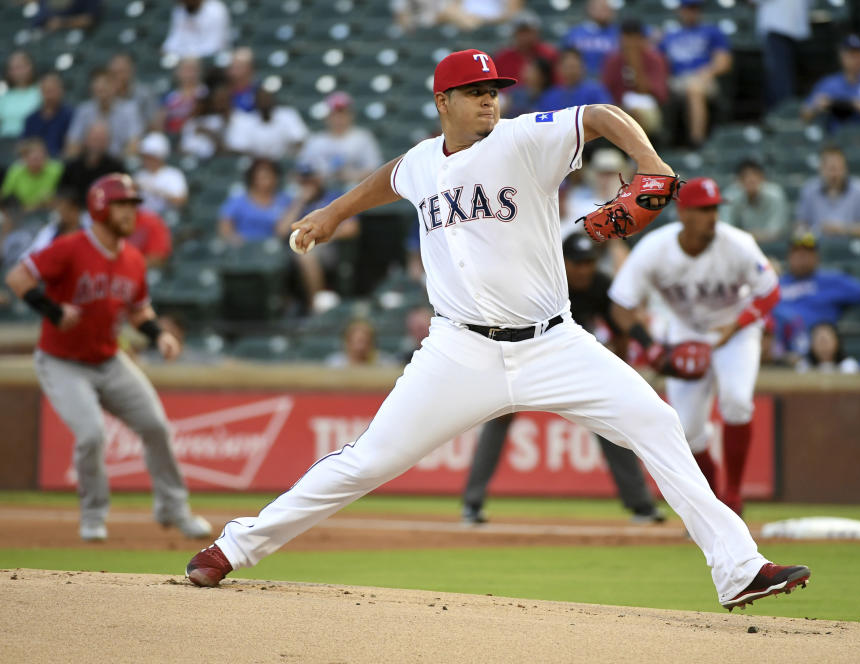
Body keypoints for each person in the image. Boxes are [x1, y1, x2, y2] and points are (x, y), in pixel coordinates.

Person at [186, 49, 810, 612]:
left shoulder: (522, 140)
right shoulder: (425, 162)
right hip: (458, 350)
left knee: (658, 425)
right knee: (368, 461)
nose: (490, 98)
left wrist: (648, 160)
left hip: (553, 343)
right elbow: (393, 174)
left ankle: (739, 569)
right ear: (443, 103)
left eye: (495, 88)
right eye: (475, 90)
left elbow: (598, 113)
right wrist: (334, 210)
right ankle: (233, 548)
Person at [3, 174, 210, 542]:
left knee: (156, 427)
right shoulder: (70, 247)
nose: (131, 212)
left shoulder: (133, 258)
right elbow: (18, 277)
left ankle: (173, 508)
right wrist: (52, 310)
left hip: (109, 359)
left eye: (133, 205)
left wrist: (160, 334)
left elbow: (139, 312)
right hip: (61, 360)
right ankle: (93, 515)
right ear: (100, 207)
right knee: (91, 436)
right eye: (122, 205)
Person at [461, 234, 666, 525]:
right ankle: (472, 503)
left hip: (571, 362)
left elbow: (620, 327)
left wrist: (620, 370)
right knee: (501, 417)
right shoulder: (541, 281)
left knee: (611, 416)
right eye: (578, 263)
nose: (585, 269)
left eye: (589, 262)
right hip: (527, 355)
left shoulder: (599, 284)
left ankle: (641, 505)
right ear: (563, 263)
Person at [609, 177, 781, 517]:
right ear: (683, 213)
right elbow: (620, 304)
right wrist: (651, 346)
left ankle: (732, 493)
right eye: (704, 210)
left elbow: (770, 291)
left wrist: (739, 325)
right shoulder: (655, 249)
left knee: (736, 401)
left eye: (715, 208)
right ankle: (714, 502)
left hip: (735, 327)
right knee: (687, 432)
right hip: (685, 330)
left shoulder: (738, 243)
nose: (712, 216)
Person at [773, 233, 860, 356]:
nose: (802, 256)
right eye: (797, 252)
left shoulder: (832, 281)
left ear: (816, 256)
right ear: (789, 256)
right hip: (775, 350)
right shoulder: (776, 283)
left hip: (814, 353)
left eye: (807, 252)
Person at [277, 164, 357, 309]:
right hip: (294, 247)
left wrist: (323, 234)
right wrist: (300, 201)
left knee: (306, 255)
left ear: (319, 179)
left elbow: (352, 228)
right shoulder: (292, 200)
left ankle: (316, 305)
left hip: (328, 246)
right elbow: (282, 231)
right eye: (304, 181)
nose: (308, 184)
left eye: (311, 180)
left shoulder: (333, 197)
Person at [658, 0, 733, 147]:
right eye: (688, 9)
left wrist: (707, 72)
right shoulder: (669, 35)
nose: (692, 12)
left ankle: (696, 141)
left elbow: (724, 61)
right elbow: (657, 62)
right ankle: (661, 141)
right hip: (676, 79)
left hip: (703, 78)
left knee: (694, 88)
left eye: (695, 8)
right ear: (680, 10)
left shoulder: (711, 31)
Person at [801, 34, 860, 131]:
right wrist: (817, 107)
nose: (855, 59)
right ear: (842, 56)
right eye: (851, 55)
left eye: (858, 54)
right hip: (835, 140)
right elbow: (804, 114)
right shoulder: (828, 83)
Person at [297, 92, 383, 189]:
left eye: (342, 113)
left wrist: (349, 176)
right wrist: (319, 177)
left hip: (354, 192)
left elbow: (375, 171)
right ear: (327, 116)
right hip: (322, 194)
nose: (338, 118)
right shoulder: (316, 141)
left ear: (351, 115)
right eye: (334, 114)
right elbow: (301, 173)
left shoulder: (362, 138)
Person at [601, 19, 669, 136]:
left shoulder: (655, 59)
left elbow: (657, 95)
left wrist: (635, 62)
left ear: (641, 39)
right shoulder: (613, 60)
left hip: (650, 109)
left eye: (633, 38)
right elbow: (606, 91)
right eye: (626, 38)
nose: (629, 43)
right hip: (620, 109)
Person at [795, 146, 860, 238]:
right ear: (821, 169)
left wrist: (843, 229)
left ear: (846, 169)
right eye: (831, 169)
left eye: (839, 169)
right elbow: (800, 225)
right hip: (817, 246)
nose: (835, 174)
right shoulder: (809, 190)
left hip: (852, 246)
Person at [64, 69, 143, 160]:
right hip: (90, 163)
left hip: (118, 163)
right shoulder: (84, 111)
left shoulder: (129, 109)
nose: (101, 89)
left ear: (114, 86)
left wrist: (117, 164)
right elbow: (73, 143)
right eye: (98, 88)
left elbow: (134, 143)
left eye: (105, 86)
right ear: (92, 89)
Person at [218, 158, 292, 245]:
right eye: (260, 178)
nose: (264, 182)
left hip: (272, 248)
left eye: (268, 177)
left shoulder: (284, 200)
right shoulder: (238, 200)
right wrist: (232, 238)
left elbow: (282, 231)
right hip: (243, 247)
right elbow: (225, 226)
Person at [224, 86, 308, 161]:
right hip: (255, 163)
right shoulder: (244, 121)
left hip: (284, 160)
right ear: (255, 101)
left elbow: (300, 139)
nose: (264, 101)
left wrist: (287, 156)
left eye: (267, 98)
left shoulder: (287, 114)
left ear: (273, 99)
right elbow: (237, 148)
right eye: (261, 98)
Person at [756, 0, 811, 110]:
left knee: (792, 77)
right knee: (779, 78)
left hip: (797, 29)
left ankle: (789, 112)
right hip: (776, 27)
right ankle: (780, 115)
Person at [722, 159, 789, 243]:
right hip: (741, 244)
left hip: (770, 245)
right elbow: (726, 228)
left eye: (755, 175)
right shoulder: (730, 196)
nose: (750, 180)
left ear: (763, 178)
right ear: (738, 180)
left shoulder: (775, 194)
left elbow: (776, 231)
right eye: (745, 176)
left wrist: (748, 236)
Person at [58, 122, 126, 199]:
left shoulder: (116, 169)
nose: (97, 143)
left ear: (108, 142)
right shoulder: (72, 166)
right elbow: (61, 192)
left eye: (101, 139)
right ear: (86, 139)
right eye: (95, 138)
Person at [133, 133, 188, 219]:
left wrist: (156, 191)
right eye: (145, 157)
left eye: (151, 157)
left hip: (165, 218)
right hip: (142, 219)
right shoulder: (140, 175)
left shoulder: (173, 174)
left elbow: (181, 201)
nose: (147, 160)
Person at [539, 49, 613, 112]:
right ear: (559, 69)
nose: (571, 71)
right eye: (567, 67)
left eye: (574, 67)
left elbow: (606, 113)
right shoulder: (549, 95)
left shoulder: (596, 91)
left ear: (583, 68)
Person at [494, 11, 558, 83]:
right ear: (514, 34)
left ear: (537, 32)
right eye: (521, 32)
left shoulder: (548, 54)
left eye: (528, 31)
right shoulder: (503, 57)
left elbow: (558, 82)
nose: (525, 36)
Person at [1, 139, 63, 212]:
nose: (39, 161)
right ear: (24, 158)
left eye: (42, 157)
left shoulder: (57, 169)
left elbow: (64, 195)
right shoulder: (15, 171)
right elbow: (5, 194)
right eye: (35, 159)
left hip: (50, 210)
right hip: (20, 211)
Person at [562, 0, 619, 78]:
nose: (605, 11)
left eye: (607, 8)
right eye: (601, 8)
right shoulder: (574, 33)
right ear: (590, 9)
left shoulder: (618, 33)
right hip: (581, 81)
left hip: (610, 78)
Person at [22, 72, 74, 158]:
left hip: (61, 163)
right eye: (46, 91)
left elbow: (72, 145)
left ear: (61, 91)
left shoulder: (70, 115)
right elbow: (23, 145)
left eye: (53, 91)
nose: (49, 96)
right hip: (35, 163)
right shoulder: (31, 119)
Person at [161, 0, 232, 59]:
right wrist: (167, 49)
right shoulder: (180, 9)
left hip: (210, 59)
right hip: (185, 58)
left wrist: (189, 57)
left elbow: (215, 45)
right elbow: (175, 37)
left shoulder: (216, 9)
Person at [179, 84, 232, 160]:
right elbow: (181, 148)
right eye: (197, 102)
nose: (199, 105)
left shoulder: (216, 120)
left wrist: (207, 132)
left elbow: (222, 147)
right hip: (191, 159)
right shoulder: (189, 123)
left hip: (212, 160)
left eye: (202, 102)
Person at [108, 53, 157, 133]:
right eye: (114, 73)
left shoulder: (144, 93)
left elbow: (153, 122)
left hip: (140, 136)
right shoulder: (105, 94)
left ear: (131, 70)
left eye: (122, 71)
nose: (118, 76)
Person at [156, 58, 206, 136]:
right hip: (173, 134)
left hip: (197, 133)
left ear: (199, 72)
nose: (189, 74)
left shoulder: (204, 93)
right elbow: (160, 119)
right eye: (185, 69)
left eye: (192, 69)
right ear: (177, 72)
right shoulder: (170, 96)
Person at [323, 318, 398, 368]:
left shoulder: (385, 363)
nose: (361, 347)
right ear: (347, 342)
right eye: (358, 341)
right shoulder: (335, 364)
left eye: (365, 341)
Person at [0, 51, 42, 138]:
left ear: (30, 67)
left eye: (20, 67)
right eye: (13, 68)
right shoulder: (3, 96)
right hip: (5, 143)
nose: (17, 72)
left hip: (31, 141)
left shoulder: (41, 92)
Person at [794, 322, 859, 373]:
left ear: (837, 342)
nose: (824, 346)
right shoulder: (804, 366)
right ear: (812, 344)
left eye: (826, 341)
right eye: (820, 342)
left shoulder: (849, 365)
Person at [226, 47, 257, 113]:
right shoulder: (224, 92)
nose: (234, 70)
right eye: (233, 66)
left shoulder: (258, 92)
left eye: (239, 66)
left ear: (250, 68)